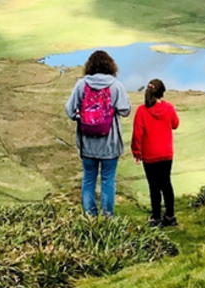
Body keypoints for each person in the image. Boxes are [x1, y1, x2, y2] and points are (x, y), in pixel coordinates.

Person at [65, 50, 131, 217]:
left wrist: (80, 116)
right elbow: (125, 111)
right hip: (110, 144)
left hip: (87, 144)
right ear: (110, 66)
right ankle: (108, 216)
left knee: (88, 180)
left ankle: (90, 217)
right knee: (108, 180)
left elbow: (69, 110)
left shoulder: (81, 85)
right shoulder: (115, 85)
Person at [130, 78, 179, 227]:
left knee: (154, 186)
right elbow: (175, 124)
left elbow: (137, 134)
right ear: (162, 93)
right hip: (166, 153)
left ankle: (156, 217)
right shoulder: (169, 108)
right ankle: (170, 216)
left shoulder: (141, 110)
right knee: (166, 183)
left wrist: (136, 152)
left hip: (149, 155)